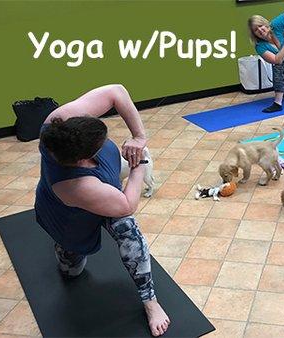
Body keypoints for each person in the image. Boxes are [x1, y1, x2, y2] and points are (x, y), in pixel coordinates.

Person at [34, 85, 170, 336]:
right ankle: (65, 254)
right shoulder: (76, 185)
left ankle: (150, 301)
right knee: (72, 271)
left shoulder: (59, 123)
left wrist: (139, 137)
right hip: (68, 217)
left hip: (103, 190)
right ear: (84, 159)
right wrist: (140, 164)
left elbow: (116, 91)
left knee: (128, 229)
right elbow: (127, 203)